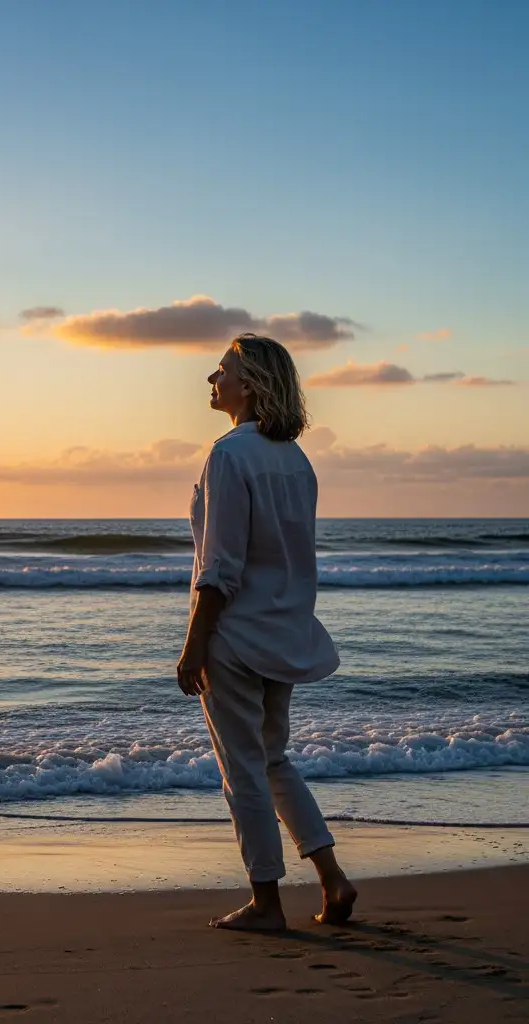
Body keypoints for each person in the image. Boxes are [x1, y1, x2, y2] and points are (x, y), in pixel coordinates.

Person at [177, 333, 357, 932]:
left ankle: (266, 903)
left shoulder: (229, 455)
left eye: (222, 369)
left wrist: (195, 642)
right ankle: (333, 880)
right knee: (272, 758)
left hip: (235, 634)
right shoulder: (296, 461)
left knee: (243, 769)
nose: (212, 378)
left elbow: (220, 564)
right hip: (285, 629)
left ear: (248, 384)